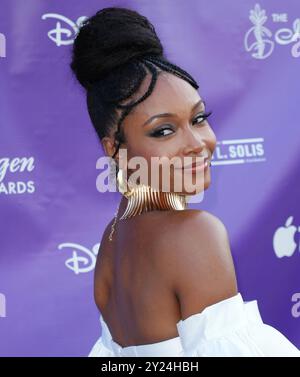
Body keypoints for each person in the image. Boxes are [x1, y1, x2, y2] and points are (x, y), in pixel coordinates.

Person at [70, 7, 300, 357]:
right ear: (116, 149)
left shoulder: (113, 238)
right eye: (164, 130)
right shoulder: (191, 233)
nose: (197, 143)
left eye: (199, 118)